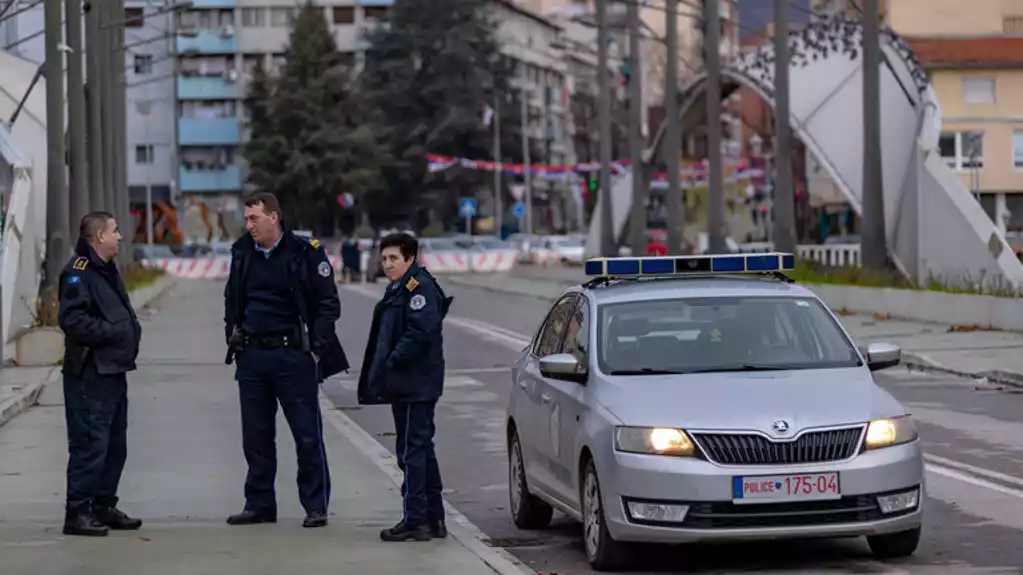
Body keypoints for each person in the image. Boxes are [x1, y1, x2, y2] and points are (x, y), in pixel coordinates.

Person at [223, 192, 349, 529]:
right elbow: (231, 298)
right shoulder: (242, 252)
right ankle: (259, 504)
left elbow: (327, 303)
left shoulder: (305, 251)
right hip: (252, 356)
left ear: (274, 217)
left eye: (254, 218)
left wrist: (316, 348)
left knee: (307, 435)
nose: (249, 225)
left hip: (293, 356)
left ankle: (315, 505)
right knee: (256, 437)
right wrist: (232, 337)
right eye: (247, 218)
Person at [357, 232, 453, 542]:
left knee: (412, 452)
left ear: (410, 258)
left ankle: (416, 521)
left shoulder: (418, 288)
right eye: (383, 259)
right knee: (420, 450)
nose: (387, 264)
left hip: (416, 384)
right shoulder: (398, 289)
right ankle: (433, 519)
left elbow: (421, 331)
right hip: (407, 384)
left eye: (394, 258)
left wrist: (392, 361)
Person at [58, 211, 143, 537]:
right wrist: (112, 332)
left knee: (114, 445)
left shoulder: (105, 270)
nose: (120, 236)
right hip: (89, 374)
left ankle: (103, 506)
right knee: (90, 444)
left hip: (113, 371)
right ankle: (77, 513)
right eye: (115, 230)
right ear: (99, 237)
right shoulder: (78, 272)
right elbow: (73, 321)